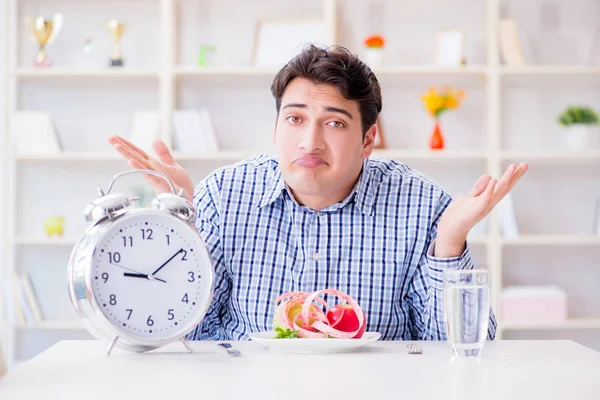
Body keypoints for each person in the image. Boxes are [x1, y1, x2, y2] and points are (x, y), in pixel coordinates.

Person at [107, 44, 528, 341]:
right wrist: (184, 227)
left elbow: (461, 349)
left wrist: (449, 243)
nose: (310, 141)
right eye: (294, 119)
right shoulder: (222, 195)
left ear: (368, 140)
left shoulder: (421, 204)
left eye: (334, 123)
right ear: (275, 129)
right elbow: (187, 336)